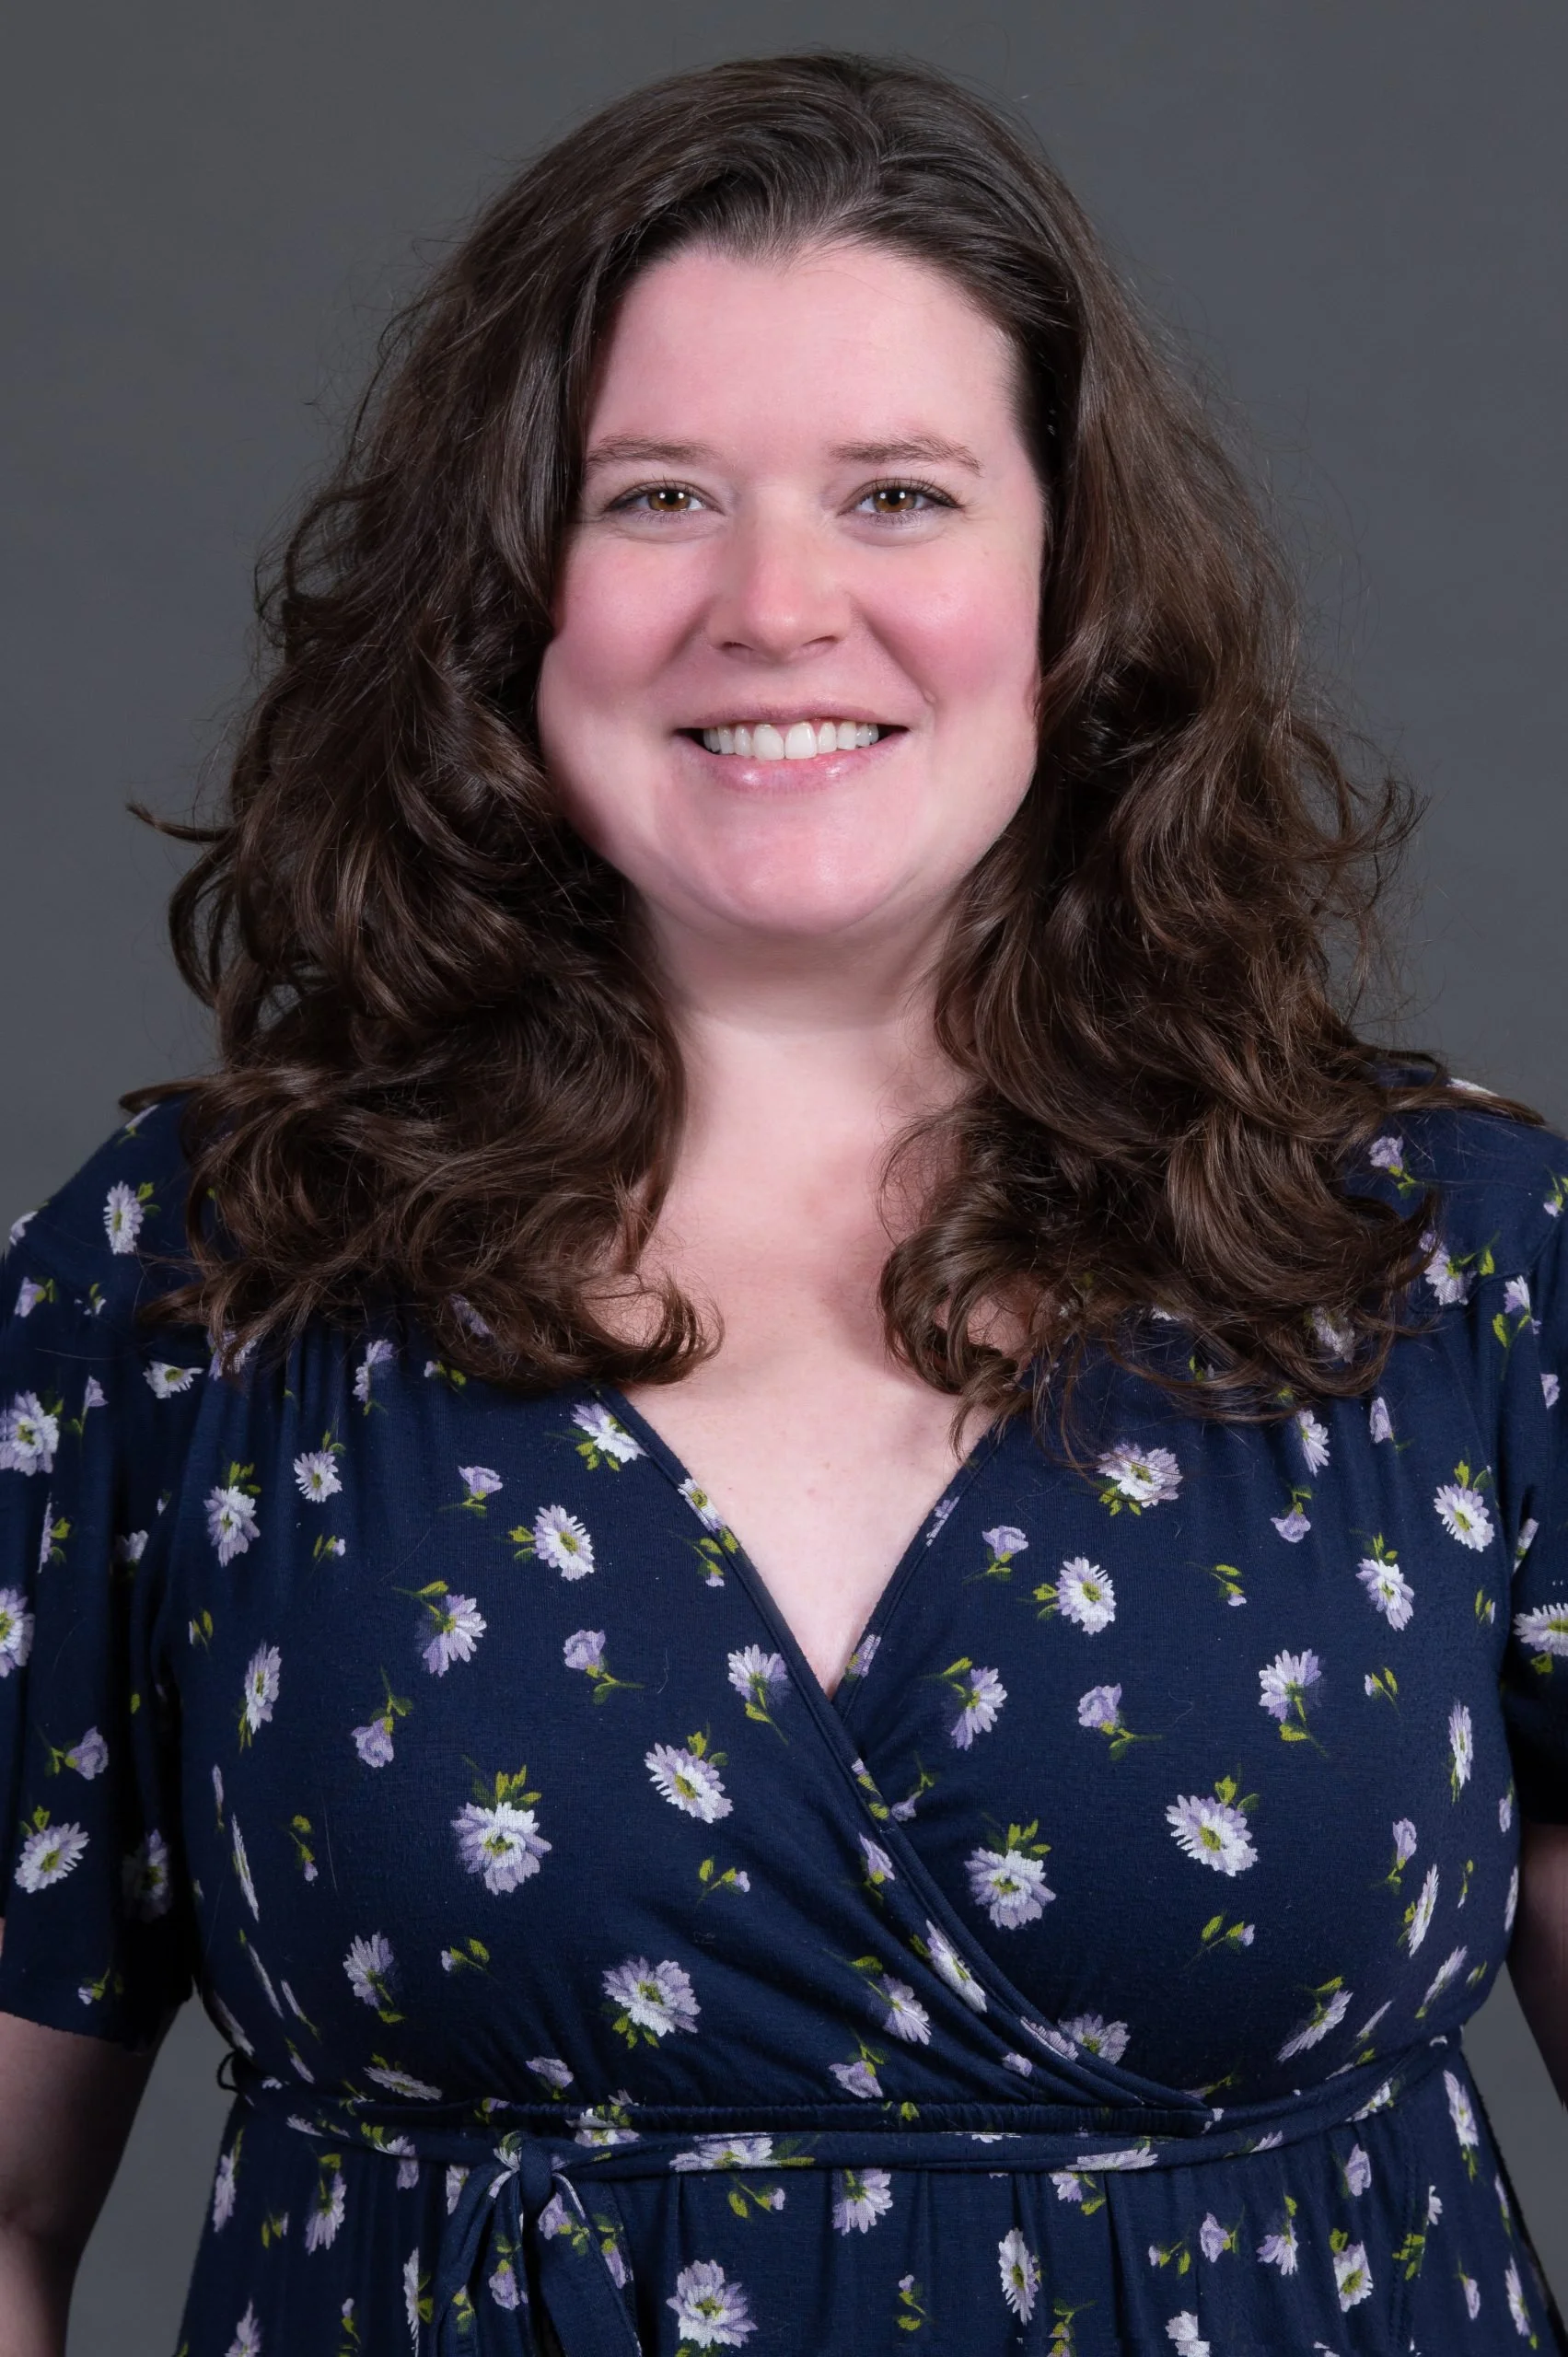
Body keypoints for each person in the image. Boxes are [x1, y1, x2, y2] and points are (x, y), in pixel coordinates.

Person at [0, 48, 1563, 2357]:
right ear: (512, 589)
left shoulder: (1448, 1259)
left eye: (900, 494)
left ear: (1067, 580)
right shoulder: (195, 1277)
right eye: (652, 497)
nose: (773, 603)